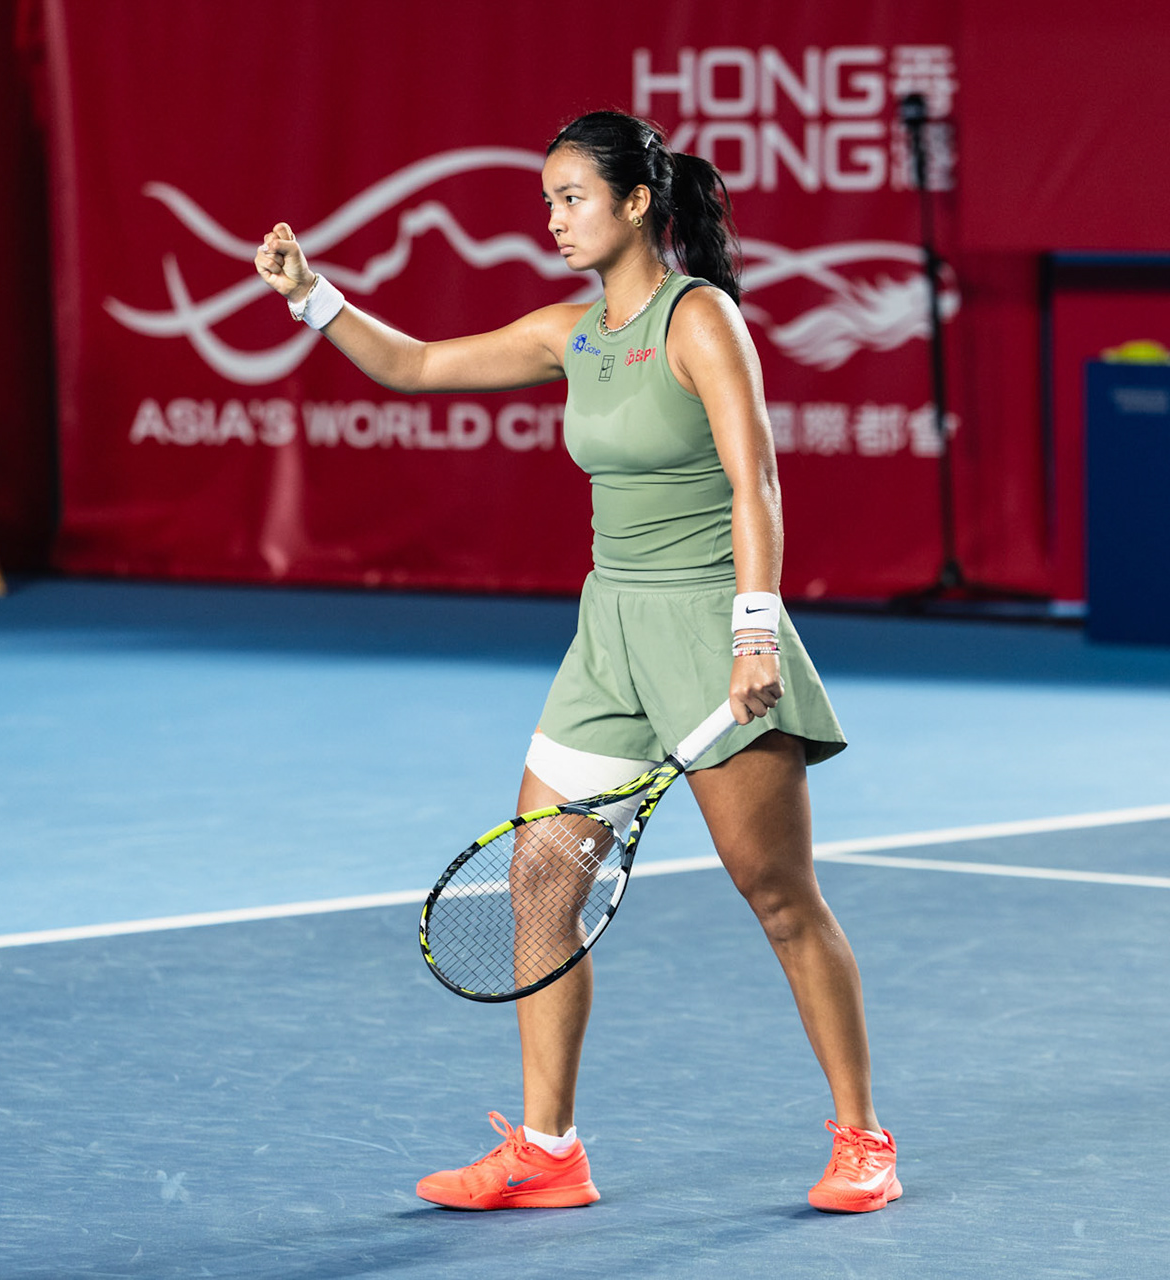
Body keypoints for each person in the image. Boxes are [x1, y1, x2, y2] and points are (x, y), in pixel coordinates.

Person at [254, 110, 897, 1214]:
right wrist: (309, 293)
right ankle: (549, 1150)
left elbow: (759, 484)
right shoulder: (573, 333)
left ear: (637, 202)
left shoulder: (702, 322)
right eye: (545, 200)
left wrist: (753, 632)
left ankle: (863, 1137)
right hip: (607, 640)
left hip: (710, 628)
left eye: (570, 197)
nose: (551, 219)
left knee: (780, 896)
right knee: (542, 882)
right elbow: (412, 364)